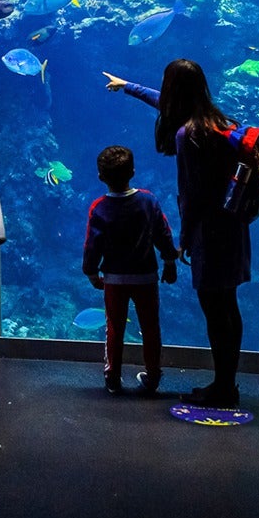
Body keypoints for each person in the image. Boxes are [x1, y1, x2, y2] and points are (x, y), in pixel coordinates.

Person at [104, 59, 251, 408]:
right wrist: (128, 86)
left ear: (175, 91)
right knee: (229, 305)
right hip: (235, 225)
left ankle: (222, 389)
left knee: (214, 308)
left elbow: (192, 193)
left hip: (210, 232)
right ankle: (228, 382)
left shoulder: (190, 136)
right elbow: (165, 104)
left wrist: (184, 238)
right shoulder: (221, 122)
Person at [82, 145, 178, 397]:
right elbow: (163, 233)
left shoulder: (99, 208)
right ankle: (153, 376)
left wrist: (91, 272)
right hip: (146, 276)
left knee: (114, 326)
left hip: (114, 278)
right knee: (150, 326)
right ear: (133, 171)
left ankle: (113, 377)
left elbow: (93, 244)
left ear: (101, 177)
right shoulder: (148, 201)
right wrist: (170, 261)